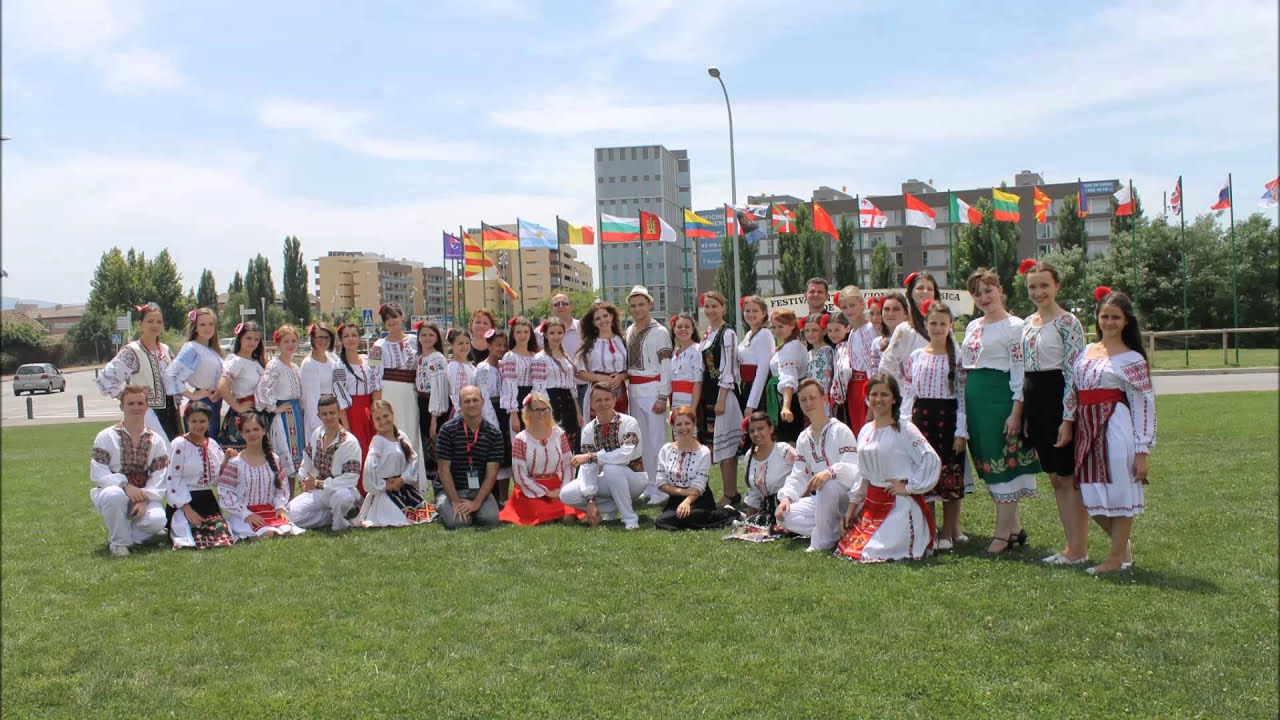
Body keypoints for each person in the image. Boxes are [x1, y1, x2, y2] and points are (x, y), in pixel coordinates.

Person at [958, 268, 1042, 555]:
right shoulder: (973, 327)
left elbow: (1019, 370)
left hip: (1000, 400)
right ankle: (1015, 528)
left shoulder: (1015, 326)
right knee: (988, 463)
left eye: (988, 290)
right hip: (976, 402)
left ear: (1001, 290)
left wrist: (1016, 411)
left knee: (1003, 465)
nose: (984, 297)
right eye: (977, 293)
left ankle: (1002, 535)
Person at [1072, 288, 1156, 575]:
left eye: (1115, 317)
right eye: (1104, 316)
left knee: (1119, 493)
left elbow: (1143, 404)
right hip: (1086, 426)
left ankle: (1115, 558)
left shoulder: (1132, 359)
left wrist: (1142, 450)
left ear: (1126, 322)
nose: (1108, 322)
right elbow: (1073, 390)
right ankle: (1122, 551)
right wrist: (1065, 421)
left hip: (1115, 428)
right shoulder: (1086, 350)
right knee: (1090, 496)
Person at [1019, 260, 1089, 566]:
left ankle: (1078, 548)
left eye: (1044, 285)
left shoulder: (1068, 323)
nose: (1038, 292)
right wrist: (1022, 413)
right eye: (1033, 286)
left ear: (1057, 286)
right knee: (1055, 479)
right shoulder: (1026, 323)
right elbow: (1023, 371)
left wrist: (1068, 419)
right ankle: (1071, 546)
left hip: (1058, 400)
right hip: (1035, 403)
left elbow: (1075, 372)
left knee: (1068, 477)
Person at [835, 374, 941, 562]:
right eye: (874, 394)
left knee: (872, 551)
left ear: (894, 399)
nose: (878, 399)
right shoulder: (866, 430)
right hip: (872, 504)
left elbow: (930, 459)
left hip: (900, 504)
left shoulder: (904, 429)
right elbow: (863, 474)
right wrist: (851, 509)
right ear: (867, 398)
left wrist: (909, 487)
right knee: (851, 548)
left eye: (884, 394)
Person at [900, 300, 969, 550]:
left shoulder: (958, 358)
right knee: (924, 473)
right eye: (933, 323)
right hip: (922, 419)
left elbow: (962, 396)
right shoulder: (917, 356)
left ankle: (948, 532)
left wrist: (961, 431)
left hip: (947, 419)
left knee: (950, 476)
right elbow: (909, 392)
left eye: (943, 323)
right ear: (926, 325)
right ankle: (928, 529)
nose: (938, 328)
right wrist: (905, 424)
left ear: (950, 325)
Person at [775, 378, 859, 552]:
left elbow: (854, 469)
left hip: (846, 497)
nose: (808, 403)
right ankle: (836, 529)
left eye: (812, 398)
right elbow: (798, 474)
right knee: (783, 516)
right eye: (803, 400)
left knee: (828, 485)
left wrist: (830, 472)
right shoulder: (803, 438)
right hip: (822, 500)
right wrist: (786, 498)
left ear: (824, 399)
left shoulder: (840, 430)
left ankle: (823, 541)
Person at [89, 385, 169, 556]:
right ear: (122, 407)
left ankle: (130, 536)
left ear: (147, 406)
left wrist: (143, 498)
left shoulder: (156, 440)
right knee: (114, 495)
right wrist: (125, 486)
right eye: (130, 403)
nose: (136, 408)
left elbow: (159, 476)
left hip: (143, 495)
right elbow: (98, 472)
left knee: (158, 521)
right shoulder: (106, 436)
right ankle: (119, 544)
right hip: (113, 493)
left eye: (140, 403)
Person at [561, 383, 648, 530]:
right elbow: (588, 467)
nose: (603, 404)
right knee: (566, 494)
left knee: (612, 468)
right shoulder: (589, 429)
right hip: (608, 479)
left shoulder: (629, 422)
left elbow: (625, 455)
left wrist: (591, 456)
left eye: (607, 399)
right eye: (598, 400)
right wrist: (590, 500)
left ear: (614, 400)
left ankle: (630, 518)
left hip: (634, 478)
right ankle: (609, 508)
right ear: (592, 404)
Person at [95, 302, 181, 442]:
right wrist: (129, 399)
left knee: (173, 453)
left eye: (159, 321)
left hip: (171, 412)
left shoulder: (165, 350)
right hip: (148, 413)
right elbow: (106, 378)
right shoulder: (133, 351)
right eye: (150, 321)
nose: (155, 325)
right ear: (141, 323)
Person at [498, 391, 585, 526]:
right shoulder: (521, 439)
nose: (542, 413)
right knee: (545, 519)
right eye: (536, 409)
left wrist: (563, 489)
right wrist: (546, 492)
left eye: (545, 409)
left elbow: (568, 464)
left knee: (569, 517)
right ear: (528, 413)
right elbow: (520, 475)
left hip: (557, 485)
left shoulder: (559, 434)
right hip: (531, 489)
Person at [216, 410, 305, 539]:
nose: (252, 434)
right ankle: (253, 533)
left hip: (269, 510)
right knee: (268, 533)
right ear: (241, 434)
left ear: (264, 431)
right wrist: (246, 514)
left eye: (256, 429)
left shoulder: (274, 459)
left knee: (286, 531)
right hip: (244, 514)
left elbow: (281, 488)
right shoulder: (236, 463)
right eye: (247, 431)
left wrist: (280, 507)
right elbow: (226, 494)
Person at [623, 286, 673, 504]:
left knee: (657, 440)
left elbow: (666, 365)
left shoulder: (660, 331)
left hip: (653, 389)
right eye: (633, 305)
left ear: (650, 304)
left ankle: (662, 488)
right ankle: (649, 484)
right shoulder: (629, 330)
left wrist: (663, 395)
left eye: (641, 304)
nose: (637, 309)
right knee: (641, 441)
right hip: (634, 389)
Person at [654, 406, 737, 531]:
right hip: (675, 498)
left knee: (666, 521)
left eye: (687, 423)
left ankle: (728, 513)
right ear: (673, 426)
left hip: (698, 499)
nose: (683, 428)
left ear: (694, 424)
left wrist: (687, 501)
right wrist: (682, 492)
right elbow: (661, 482)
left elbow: (699, 486)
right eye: (679, 424)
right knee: (662, 522)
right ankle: (702, 519)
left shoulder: (703, 452)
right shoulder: (666, 449)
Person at [164, 403, 234, 550]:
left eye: (202, 421)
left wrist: (227, 458)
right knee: (189, 535)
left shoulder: (212, 444)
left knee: (221, 534)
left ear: (209, 422)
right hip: (184, 500)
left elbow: (217, 478)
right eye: (194, 421)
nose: (198, 425)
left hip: (207, 499)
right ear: (187, 422)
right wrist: (186, 508)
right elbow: (172, 478)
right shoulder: (180, 444)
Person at [287, 396, 363, 532]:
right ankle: (332, 517)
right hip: (318, 492)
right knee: (290, 513)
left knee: (342, 498)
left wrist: (318, 483)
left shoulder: (350, 442)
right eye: (324, 414)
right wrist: (304, 480)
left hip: (340, 490)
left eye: (332, 413)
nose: (328, 417)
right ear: (319, 415)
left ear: (339, 412)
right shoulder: (317, 433)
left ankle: (341, 520)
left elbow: (351, 478)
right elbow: (307, 459)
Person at [434, 385, 504, 529]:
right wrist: (455, 501)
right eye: (467, 401)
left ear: (482, 402)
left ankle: (475, 509)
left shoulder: (494, 434)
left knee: (491, 519)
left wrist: (477, 502)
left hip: (479, 491)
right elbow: (444, 470)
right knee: (458, 523)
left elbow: (492, 474)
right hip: (451, 490)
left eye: (475, 400)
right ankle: (441, 507)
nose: (471, 404)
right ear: (460, 405)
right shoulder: (447, 430)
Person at [696, 291, 743, 504]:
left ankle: (730, 493)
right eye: (707, 306)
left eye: (715, 306)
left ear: (723, 308)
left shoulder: (727, 333)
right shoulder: (708, 333)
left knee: (726, 448)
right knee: (718, 446)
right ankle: (728, 492)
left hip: (722, 394)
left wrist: (722, 398)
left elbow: (729, 367)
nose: (710, 310)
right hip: (709, 393)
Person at [355, 400, 431, 527]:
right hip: (386, 490)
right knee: (394, 516)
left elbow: (413, 460)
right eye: (378, 419)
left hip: (403, 487)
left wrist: (403, 479)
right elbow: (369, 467)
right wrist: (383, 485)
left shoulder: (401, 436)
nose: (383, 421)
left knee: (421, 514)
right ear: (373, 422)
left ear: (392, 414)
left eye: (386, 416)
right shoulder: (378, 441)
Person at [369, 303, 422, 482]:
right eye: (387, 318)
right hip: (389, 393)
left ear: (401, 316)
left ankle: (411, 481)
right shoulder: (378, 346)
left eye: (394, 316)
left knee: (411, 434)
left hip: (410, 393)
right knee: (392, 436)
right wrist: (377, 405)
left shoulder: (415, 341)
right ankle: (391, 479)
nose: (391, 321)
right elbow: (374, 377)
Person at [333, 321, 382, 488]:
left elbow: (376, 387)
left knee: (374, 450)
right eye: (346, 336)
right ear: (341, 340)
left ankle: (375, 489)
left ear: (359, 337)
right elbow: (340, 400)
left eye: (354, 335)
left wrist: (377, 413)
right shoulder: (338, 366)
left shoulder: (369, 360)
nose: (351, 339)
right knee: (358, 450)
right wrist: (347, 428)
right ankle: (360, 490)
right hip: (352, 412)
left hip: (371, 409)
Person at [164, 307, 225, 438]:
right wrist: (193, 396)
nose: (207, 328)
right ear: (195, 327)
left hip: (214, 402)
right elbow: (170, 375)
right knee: (199, 447)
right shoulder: (192, 348)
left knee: (210, 448)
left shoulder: (211, 350)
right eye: (202, 324)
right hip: (201, 403)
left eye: (211, 324)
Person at [255, 325, 305, 483]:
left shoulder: (295, 367)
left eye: (293, 341)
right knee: (285, 458)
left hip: (295, 414)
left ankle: (291, 499)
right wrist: (274, 408)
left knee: (295, 459)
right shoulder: (275, 365)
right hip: (284, 416)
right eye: (286, 341)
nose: (290, 344)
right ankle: (283, 498)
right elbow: (262, 388)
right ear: (278, 343)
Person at [737, 412, 796, 535]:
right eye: (752, 431)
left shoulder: (784, 451)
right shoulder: (749, 456)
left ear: (771, 429)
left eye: (760, 429)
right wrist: (748, 520)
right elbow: (753, 492)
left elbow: (803, 473)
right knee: (753, 525)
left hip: (788, 505)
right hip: (767, 509)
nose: (756, 434)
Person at [830, 286, 880, 432]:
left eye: (852, 305)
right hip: (854, 388)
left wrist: (871, 402)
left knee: (869, 430)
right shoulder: (852, 332)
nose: (848, 310)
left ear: (862, 304)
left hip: (866, 386)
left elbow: (874, 366)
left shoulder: (870, 329)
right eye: (844, 307)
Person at [531, 317, 584, 453]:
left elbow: (572, 387)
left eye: (559, 333)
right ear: (546, 335)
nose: (556, 336)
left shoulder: (566, 357)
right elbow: (538, 389)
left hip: (568, 402)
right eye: (552, 333)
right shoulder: (540, 358)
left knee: (570, 441)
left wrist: (578, 411)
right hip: (551, 401)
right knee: (554, 442)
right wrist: (544, 411)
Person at [217, 320, 266, 451]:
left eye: (256, 339)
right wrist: (237, 406)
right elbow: (222, 386)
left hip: (258, 414)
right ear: (240, 338)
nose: (252, 342)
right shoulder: (236, 361)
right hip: (244, 415)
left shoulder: (256, 362)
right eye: (248, 338)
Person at [476, 330, 513, 501]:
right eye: (497, 345)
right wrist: (492, 421)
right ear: (489, 346)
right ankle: (491, 497)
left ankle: (504, 497)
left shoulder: (504, 365)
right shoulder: (483, 368)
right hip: (492, 411)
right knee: (494, 455)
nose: (501, 349)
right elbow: (483, 394)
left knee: (506, 456)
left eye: (504, 345)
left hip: (505, 410)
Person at [576, 300, 628, 417]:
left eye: (605, 315)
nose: (603, 320)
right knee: (599, 426)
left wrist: (621, 377)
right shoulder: (589, 344)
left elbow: (631, 368)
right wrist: (602, 378)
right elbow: (580, 372)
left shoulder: (623, 340)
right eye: (598, 318)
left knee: (621, 424)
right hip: (597, 389)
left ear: (612, 316)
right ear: (594, 323)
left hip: (620, 389)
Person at [414, 321, 450, 488]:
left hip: (434, 405)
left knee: (435, 444)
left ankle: (441, 488)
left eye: (431, 335)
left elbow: (439, 389)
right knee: (427, 447)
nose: (427, 338)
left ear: (437, 338)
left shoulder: (437, 358)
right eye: (423, 335)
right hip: (422, 403)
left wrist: (435, 418)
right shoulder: (421, 358)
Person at [536, 293, 585, 407]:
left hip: (583, 385)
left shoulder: (583, 328)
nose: (561, 306)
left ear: (571, 307)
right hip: (552, 391)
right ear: (551, 308)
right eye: (557, 304)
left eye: (565, 303)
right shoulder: (538, 333)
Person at [766, 308, 807, 444]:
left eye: (781, 326)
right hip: (781, 396)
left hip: (788, 398)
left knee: (789, 442)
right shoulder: (788, 345)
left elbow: (788, 379)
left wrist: (786, 406)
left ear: (792, 325)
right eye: (774, 327)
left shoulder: (791, 347)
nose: (777, 330)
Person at [883, 274, 933, 384]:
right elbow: (888, 364)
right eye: (920, 288)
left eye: (930, 288)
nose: (925, 292)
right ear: (910, 293)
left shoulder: (943, 325)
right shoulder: (905, 329)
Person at [737, 296, 775, 431]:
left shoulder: (764, 334)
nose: (750, 314)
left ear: (763, 313)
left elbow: (762, 371)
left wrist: (751, 404)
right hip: (746, 386)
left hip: (757, 389)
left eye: (755, 311)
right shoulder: (749, 334)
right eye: (747, 311)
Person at [300, 322, 340, 440]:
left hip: (333, 413)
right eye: (320, 337)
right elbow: (310, 401)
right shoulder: (309, 364)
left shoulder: (332, 358)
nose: (323, 341)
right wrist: (320, 425)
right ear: (313, 339)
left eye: (326, 337)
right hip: (320, 419)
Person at [501, 317, 540, 435]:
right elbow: (509, 385)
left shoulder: (535, 356)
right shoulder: (510, 357)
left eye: (526, 332)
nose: (522, 335)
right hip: (518, 400)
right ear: (513, 334)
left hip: (534, 400)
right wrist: (513, 414)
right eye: (518, 332)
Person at [668, 312, 703, 420]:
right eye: (679, 326)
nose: (683, 329)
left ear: (692, 329)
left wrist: (693, 409)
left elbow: (698, 381)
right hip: (675, 403)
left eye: (687, 326)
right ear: (674, 329)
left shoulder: (697, 349)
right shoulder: (673, 353)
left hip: (689, 402)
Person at [802, 313, 834, 398]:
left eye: (814, 330)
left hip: (822, 398)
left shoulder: (825, 351)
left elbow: (825, 381)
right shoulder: (809, 353)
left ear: (824, 331)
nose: (810, 334)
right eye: (807, 331)